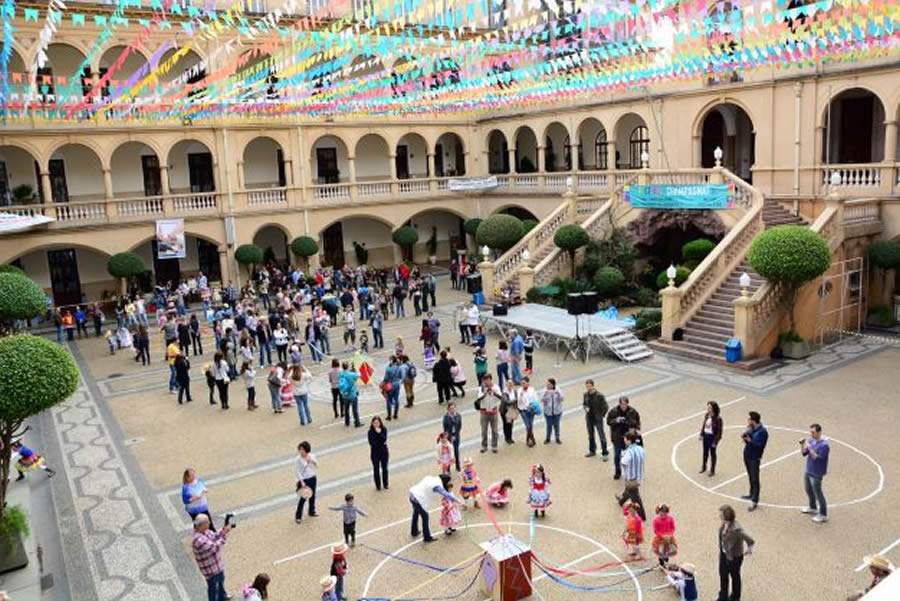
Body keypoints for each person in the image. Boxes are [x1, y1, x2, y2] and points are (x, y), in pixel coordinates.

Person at [716, 504, 755, 601]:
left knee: (735, 577)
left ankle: (735, 597)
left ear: (727, 517)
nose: (719, 516)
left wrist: (749, 548)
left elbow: (750, 540)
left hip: (734, 558)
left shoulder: (737, 530)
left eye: (721, 515)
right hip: (724, 554)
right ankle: (723, 596)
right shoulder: (724, 524)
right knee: (723, 575)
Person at [191, 513, 232, 601]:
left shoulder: (205, 531)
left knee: (221, 582)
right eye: (207, 522)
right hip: (210, 570)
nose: (209, 523)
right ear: (201, 525)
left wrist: (223, 531)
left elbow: (215, 536)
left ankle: (222, 597)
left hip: (217, 565)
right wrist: (224, 537)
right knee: (213, 589)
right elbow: (214, 548)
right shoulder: (198, 540)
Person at [408, 473, 455, 542]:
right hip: (418, 499)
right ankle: (427, 537)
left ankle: (414, 531)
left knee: (416, 513)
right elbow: (446, 494)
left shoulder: (431, 478)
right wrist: (458, 501)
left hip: (413, 495)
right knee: (425, 516)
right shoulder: (437, 486)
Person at [800, 423, 830, 523]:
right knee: (808, 490)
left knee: (818, 494)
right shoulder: (811, 441)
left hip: (817, 473)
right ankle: (812, 507)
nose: (811, 434)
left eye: (813, 432)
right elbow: (804, 453)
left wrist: (809, 447)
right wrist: (802, 445)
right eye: (810, 432)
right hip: (809, 470)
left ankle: (823, 514)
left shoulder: (824, 446)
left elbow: (816, 458)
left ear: (819, 432)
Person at [607, 396, 641, 480]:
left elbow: (638, 421)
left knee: (630, 456)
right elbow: (608, 421)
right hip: (617, 437)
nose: (623, 406)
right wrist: (616, 420)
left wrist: (636, 429)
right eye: (622, 404)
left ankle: (631, 472)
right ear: (619, 403)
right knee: (617, 456)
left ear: (627, 404)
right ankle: (618, 471)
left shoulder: (633, 411)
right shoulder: (613, 411)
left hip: (629, 438)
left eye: (625, 404)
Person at [741, 411, 768, 511]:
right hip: (747, 455)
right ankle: (751, 493)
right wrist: (745, 436)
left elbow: (760, 446)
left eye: (749, 420)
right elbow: (746, 437)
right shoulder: (752, 429)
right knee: (750, 476)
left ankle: (755, 501)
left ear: (753, 421)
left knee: (755, 478)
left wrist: (749, 441)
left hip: (754, 457)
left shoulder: (763, 432)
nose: (748, 421)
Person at [616, 431, 646, 520]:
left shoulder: (629, 452)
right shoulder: (640, 448)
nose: (624, 440)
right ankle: (621, 501)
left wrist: (622, 456)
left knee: (636, 498)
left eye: (625, 439)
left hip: (631, 478)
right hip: (639, 476)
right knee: (629, 491)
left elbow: (623, 462)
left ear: (629, 440)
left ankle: (642, 516)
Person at [583, 379, 609, 460]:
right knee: (590, 435)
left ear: (593, 386)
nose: (588, 388)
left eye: (589, 386)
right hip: (589, 418)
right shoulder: (585, 395)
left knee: (601, 435)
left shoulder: (599, 395)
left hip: (598, 418)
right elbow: (584, 404)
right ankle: (592, 451)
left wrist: (601, 415)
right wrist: (585, 408)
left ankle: (605, 453)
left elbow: (605, 406)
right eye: (587, 386)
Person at [476, 374, 502, 454]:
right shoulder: (481, 388)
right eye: (485, 380)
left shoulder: (496, 387)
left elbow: (501, 397)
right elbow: (478, 399)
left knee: (494, 430)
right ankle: (484, 446)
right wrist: (485, 393)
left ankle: (494, 446)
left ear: (491, 380)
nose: (486, 382)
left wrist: (493, 393)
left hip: (493, 412)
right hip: (484, 412)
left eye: (488, 380)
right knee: (484, 430)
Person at [294, 441, 318, 523]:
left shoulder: (311, 456)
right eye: (300, 449)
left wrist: (311, 460)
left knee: (312, 495)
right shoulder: (298, 459)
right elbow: (297, 471)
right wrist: (302, 481)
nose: (301, 451)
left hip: (313, 478)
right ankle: (298, 516)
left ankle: (311, 511)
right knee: (303, 497)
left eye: (302, 449)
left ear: (306, 450)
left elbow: (316, 465)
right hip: (304, 480)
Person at [700, 401, 723, 476]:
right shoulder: (707, 415)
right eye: (708, 407)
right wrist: (702, 434)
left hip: (712, 437)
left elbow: (719, 432)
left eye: (709, 407)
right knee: (705, 452)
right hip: (706, 436)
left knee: (712, 454)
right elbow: (704, 425)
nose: (708, 409)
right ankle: (704, 466)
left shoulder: (718, 418)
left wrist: (715, 442)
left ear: (713, 408)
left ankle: (712, 470)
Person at [367, 416, 389, 490]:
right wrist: (380, 441)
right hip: (375, 453)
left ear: (380, 423)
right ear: (372, 424)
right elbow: (371, 443)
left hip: (384, 452)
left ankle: (385, 484)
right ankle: (378, 485)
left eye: (377, 423)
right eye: (374, 423)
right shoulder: (370, 432)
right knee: (376, 469)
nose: (376, 424)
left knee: (385, 468)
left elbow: (384, 439)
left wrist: (379, 433)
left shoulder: (384, 429)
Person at [338, 362, 362, 428]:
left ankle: (347, 422)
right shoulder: (352, 374)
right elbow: (359, 375)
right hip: (352, 394)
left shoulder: (340, 374)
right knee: (355, 410)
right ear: (348, 367)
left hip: (344, 394)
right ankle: (357, 422)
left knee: (346, 409)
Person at [517, 376, 539, 447]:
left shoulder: (532, 390)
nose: (522, 385)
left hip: (531, 410)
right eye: (522, 383)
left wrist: (532, 406)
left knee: (530, 425)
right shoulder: (519, 390)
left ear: (528, 383)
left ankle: (529, 439)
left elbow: (536, 399)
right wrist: (520, 396)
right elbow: (518, 402)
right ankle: (531, 439)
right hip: (523, 410)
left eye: (524, 383)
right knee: (528, 425)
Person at [541, 378, 563, 444]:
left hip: (557, 411)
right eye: (547, 384)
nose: (547, 385)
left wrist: (558, 393)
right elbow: (541, 399)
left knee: (557, 425)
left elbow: (562, 398)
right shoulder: (544, 390)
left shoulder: (558, 389)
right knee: (549, 425)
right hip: (548, 412)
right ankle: (548, 438)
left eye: (549, 384)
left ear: (553, 385)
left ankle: (557, 438)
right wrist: (546, 394)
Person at [442, 402, 463, 471]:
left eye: (453, 408)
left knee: (456, 451)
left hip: (456, 436)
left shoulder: (458, 415)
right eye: (451, 408)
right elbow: (445, 428)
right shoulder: (446, 417)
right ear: (448, 409)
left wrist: (456, 434)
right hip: (449, 437)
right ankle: (448, 468)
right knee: (448, 453)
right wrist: (448, 436)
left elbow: (459, 426)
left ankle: (457, 466)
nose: (452, 410)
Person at [382, 356, 403, 421]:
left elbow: (386, 379)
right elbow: (400, 376)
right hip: (397, 385)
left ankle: (389, 415)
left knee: (388, 400)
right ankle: (395, 414)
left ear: (391, 360)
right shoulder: (399, 368)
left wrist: (383, 383)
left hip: (390, 385)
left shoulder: (388, 369)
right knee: (396, 399)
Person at [500, 379, 518, 444]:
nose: (510, 385)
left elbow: (517, 400)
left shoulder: (515, 391)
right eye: (509, 383)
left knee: (511, 424)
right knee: (506, 424)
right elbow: (507, 401)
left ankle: (510, 437)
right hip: (505, 411)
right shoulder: (504, 392)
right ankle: (507, 438)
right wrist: (515, 400)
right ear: (506, 384)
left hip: (512, 410)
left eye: (511, 383)